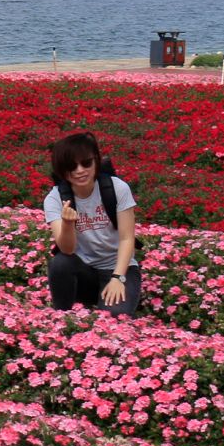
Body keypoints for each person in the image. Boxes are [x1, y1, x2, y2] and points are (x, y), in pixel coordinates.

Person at [43, 131, 142, 316]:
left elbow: (127, 239)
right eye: (72, 166)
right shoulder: (55, 199)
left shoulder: (117, 188)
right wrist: (67, 223)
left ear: (96, 160)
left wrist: (117, 278)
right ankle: (61, 317)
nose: (80, 170)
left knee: (113, 319)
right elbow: (67, 249)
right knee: (60, 263)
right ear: (62, 170)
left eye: (86, 163)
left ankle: (116, 291)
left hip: (119, 268)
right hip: (84, 272)